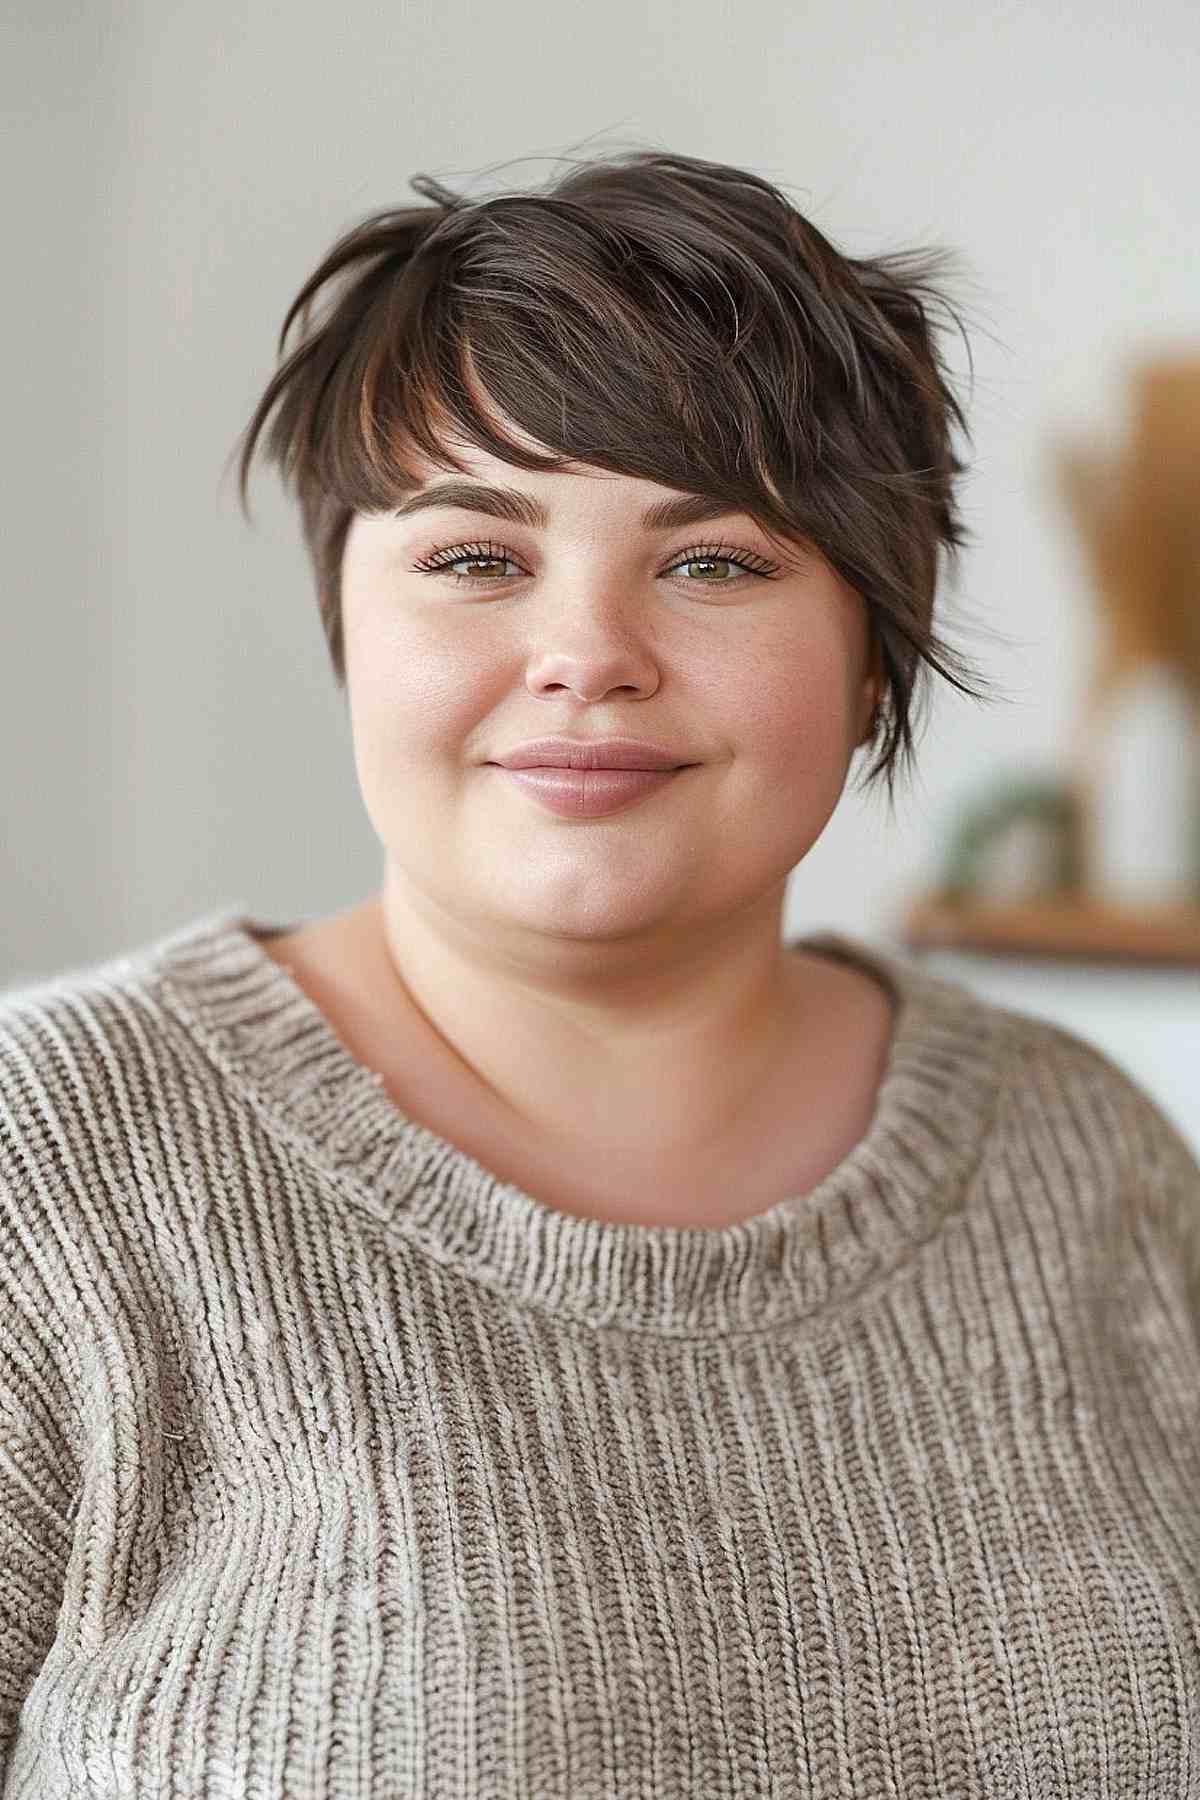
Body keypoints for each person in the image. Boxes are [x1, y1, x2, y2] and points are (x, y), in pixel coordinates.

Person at [2, 149, 1198, 1798]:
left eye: (715, 561)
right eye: (475, 558)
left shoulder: (1094, 1161)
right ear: (349, 623)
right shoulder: (46, 1159)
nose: (588, 653)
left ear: (872, 654)